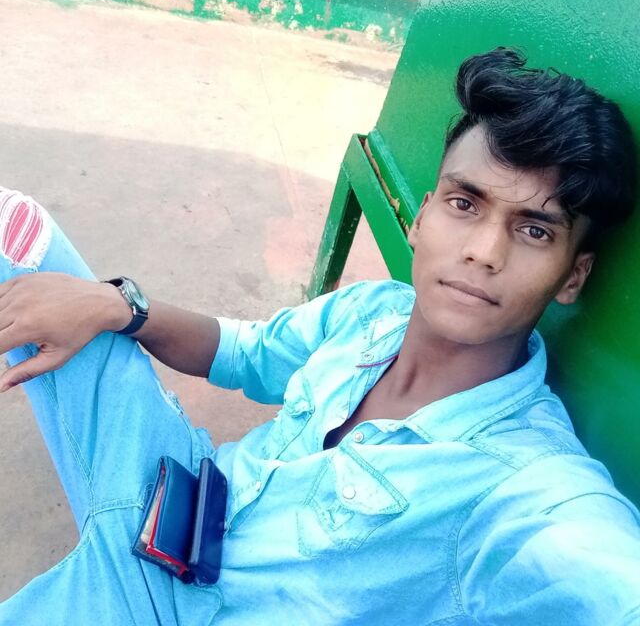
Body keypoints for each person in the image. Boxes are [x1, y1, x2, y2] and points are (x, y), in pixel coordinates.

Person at [0, 47, 639, 625]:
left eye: (534, 230)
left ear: (572, 276)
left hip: (153, 609)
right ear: (420, 219)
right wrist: (117, 306)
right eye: (464, 204)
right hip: (181, 495)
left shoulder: (523, 483)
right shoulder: (373, 311)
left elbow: (600, 572)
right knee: (22, 241)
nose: (483, 251)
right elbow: (242, 351)